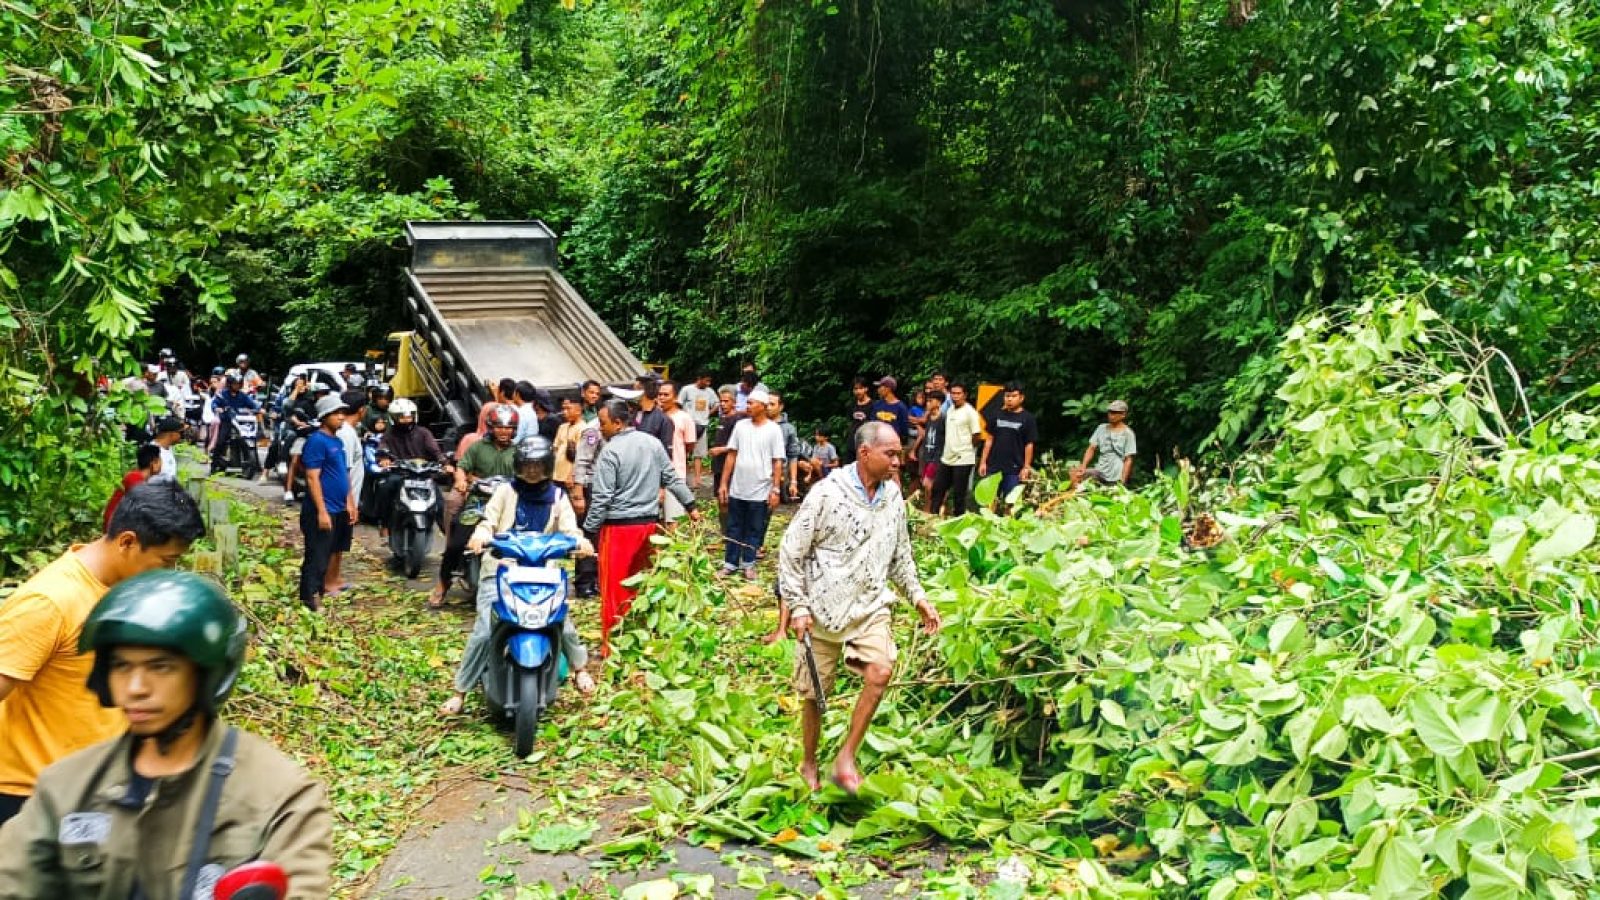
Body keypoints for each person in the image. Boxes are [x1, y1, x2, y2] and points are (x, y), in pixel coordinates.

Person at [0, 570, 333, 896]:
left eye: (160, 667)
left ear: (205, 675)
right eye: (121, 666)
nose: (135, 688)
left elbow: (300, 884)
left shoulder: (278, 795)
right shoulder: (67, 787)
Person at [0, 481, 205, 827]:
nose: (169, 573)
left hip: (95, 790)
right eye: (166, 561)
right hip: (34, 798)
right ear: (127, 542)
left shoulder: (120, 594)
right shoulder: (51, 601)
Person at [778, 421, 941, 794]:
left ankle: (846, 757)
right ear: (865, 453)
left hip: (869, 606)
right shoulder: (826, 495)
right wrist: (798, 606)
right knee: (815, 695)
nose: (899, 461)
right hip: (822, 610)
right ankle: (808, 760)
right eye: (892, 454)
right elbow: (791, 551)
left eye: (900, 454)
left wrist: (919, 597)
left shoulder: (893, 498)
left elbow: (901, 555)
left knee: (881, 671)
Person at [440, 438, 597, 716]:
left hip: (543, 573)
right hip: (501, 571)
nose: (533, 472)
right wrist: (481, 535)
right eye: (527, 466)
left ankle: (580, 670)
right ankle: (460, 692)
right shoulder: (504, 492)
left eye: (538, 466)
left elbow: (571, 530)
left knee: (564, 623)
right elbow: (488, 522)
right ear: (518, 466)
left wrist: (580, 542)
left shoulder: (559, 497)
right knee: (484, 631)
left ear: (547, 466)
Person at [582, 399, 699, 652]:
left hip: (618, 530)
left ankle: (613, 645)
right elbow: (671, 477)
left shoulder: (610, 452)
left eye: (603, 423)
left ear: (617, 422)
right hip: (649, 528)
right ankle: (643, 640)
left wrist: (588, 531)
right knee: (644, 586)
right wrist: (691, 506)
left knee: (615, 588)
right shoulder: (653, 444)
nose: (600, 428)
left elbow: (602, 497)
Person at [431, 406, 520, 608]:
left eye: (509, 428)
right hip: (478, 504)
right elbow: (462, 467)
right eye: (499, 427)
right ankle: (443, 584)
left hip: (508, 508)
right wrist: (461, 480)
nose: (504, 432)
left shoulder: (518, 452)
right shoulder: (478, 447)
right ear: (490, 427)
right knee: (455, 544)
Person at [718, 390, 786, 580]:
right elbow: (732, 454)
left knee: (754, 528)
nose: (747, 407)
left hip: (760, 488)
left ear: (763, 407)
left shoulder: (773, 430)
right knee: (734, 526)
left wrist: (775, 489)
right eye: (747, 403)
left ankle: (748, 563)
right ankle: (730, 563)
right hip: (738, 487)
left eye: (751, 403)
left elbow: (777, 461)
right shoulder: (740, 426)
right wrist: (724, 483)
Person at [299, 395, 356, 612]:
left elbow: (343, 473)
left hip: (337, 507)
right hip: (321, 509)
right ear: (324, 417)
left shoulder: (337, 442)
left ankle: (319, 592)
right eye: (336, 413)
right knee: (317, 556)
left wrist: (349, 502)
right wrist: (322, 511)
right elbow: (313, 478)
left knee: (330, 552)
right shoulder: (316, 442)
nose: (341, 417)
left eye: (343, 413)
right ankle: (310, 598)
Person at [373, 397, 448, 532]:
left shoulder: (423, 433)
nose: (407, 420)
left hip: (423, 475)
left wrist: (444, 462)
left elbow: (435, 451)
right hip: (399, 474)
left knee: (439, 500)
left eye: (409, 416)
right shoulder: (389, 435)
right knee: (384, 488)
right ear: (393, 418)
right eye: (402, 417)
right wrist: (383, 458)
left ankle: (447, 533)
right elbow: (381, 449)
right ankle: (384, 524)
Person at [328, 390, 367, 597]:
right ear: (362, 410)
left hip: (346, 496)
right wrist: (349, 501)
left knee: (342, 541)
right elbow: (344, 470)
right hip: (343, 497)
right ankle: (329, 581)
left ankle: (335, 578)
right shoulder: (347, 434)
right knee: (335, 542)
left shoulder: (349, 431)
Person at [979, 381, 1038, 510]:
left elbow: (1029, 444)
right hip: (994, 466)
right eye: (1007, 396)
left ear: (1021, 398)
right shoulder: (996, 415)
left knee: (1010, 503)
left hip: (1014, 468)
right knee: (990, 501)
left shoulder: (1028, 419)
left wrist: (1026, 467)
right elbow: (989, 440)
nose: (1009, 399)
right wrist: (983, 462)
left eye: (1013, 396)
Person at [568, 395, 604, 599]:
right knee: (588, 534)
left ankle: (597, 579)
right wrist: (579, 493)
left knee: (600, 537)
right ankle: (584, 581)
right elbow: (582, 461)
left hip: (605, 489)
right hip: (591, 487)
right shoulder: (593, 430)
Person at [931, 382, 983, 516]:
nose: (955, 396)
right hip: (947, 457)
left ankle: (958, 520)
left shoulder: (970, 412)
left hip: (963, 458)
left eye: (958, 393)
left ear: (965, 395)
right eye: (953, 393)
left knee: (959, 493)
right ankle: (933, 517)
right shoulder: (949, 410)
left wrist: (966, 449)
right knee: (937, 489)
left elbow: (977, 435)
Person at [1072, 400, 1138, 491]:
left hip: (1116, 474)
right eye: (1110, 412)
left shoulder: (1128, 433)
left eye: (1115, 413)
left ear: (1123, 415)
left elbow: (1128, 459)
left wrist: (1122, 482)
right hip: (1100, 470)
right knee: (1076, 474)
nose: (1111, 415)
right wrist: (1083, 466)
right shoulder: (1101, 428)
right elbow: (1091, 448)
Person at [657, 380, 698, 522]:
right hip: (654, 475)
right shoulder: (655, 417)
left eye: (666, 394)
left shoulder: (684, 418)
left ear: (675, 398)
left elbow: (690, 445)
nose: (661, 397)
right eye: (660, 394)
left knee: (672, 519)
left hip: (675, 474)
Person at [207, 375, 261, 472]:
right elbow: (214, 403)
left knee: (249, 439)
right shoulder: (222, 395)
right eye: (235, 384)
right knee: (220, 441)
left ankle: (253, 464)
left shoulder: (243, 396)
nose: (237, 386)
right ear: (229, 384)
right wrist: (217, 408)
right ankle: (214, 465)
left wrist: (258, 409)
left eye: (238, 384)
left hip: (241, 423)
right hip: (227, 421)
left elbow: (253, 405)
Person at [103, 444, 163, 529]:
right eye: (160, 460)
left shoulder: (138, 477)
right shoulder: (135, 478)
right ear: (153, 463)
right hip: (115, 526)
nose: (162, 464)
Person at [678, 372, 719, 488]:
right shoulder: (687, 389)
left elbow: (716, 404)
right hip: (688, 424)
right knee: (684, 451)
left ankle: (697, 478)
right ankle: (684, 477)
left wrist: (708, 413)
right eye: (706, 380)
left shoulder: (709, 391)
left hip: (703, 424)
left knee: (699, 454)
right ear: (699, 379)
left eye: (709, 381)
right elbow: (679, 403)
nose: (708, 383)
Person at [768, 392, 805, 503]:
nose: (768, 407)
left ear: (780, 407)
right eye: (766, 404)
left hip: (781, 471)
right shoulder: (757, 424)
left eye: (772, 404)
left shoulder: (788, 429)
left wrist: (793, 481)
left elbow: (793, 455)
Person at [913, 391, 946, 509]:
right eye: (927, 401)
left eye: (930, 401)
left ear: (938, 402)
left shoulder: (944, 418)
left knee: (928, 484)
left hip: (937, 456)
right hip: (927, 454)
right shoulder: (929, 418)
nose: (927, 403)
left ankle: (931, 509)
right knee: (925, 484)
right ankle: (929, 507)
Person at [632, 375, 677, 453]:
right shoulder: (632, 414)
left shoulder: (663, 420)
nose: (632, 394)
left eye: (635, 390)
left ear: (643, 393)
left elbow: (666, 453)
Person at [869, 376, 912, 444]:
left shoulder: (901, 407)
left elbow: (904, 430)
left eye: (880, 387)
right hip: (877, 444)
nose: (878, 390)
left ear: (888, 389)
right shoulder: (877, 405)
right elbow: (872, 424)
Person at [148, 416, 185, 483]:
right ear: (171, 434)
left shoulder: (168, 448)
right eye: (181, 433)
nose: (182, 436)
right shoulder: (152, 452)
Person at [846, 377, 874, 460]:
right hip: (852, 441)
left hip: (866, 441)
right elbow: (850, 421)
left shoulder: (873, 405)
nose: (858, 391)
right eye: (855, 389)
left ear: (866, 389)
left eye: (860, 388)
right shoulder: (852, 405)